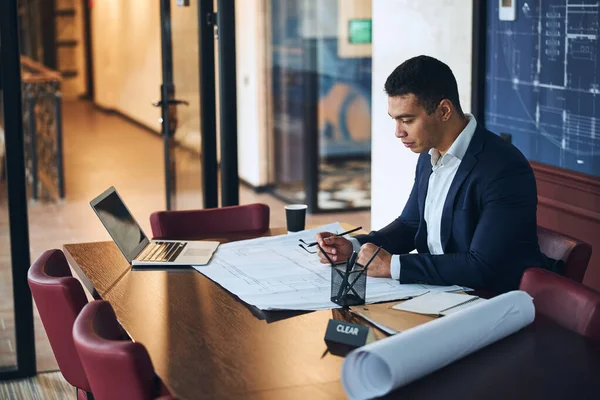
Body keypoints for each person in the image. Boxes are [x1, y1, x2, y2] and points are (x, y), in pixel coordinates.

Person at [316, 55, 555, 294]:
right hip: (439, 292)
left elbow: (483, 266)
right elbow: (411, 224)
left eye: (407, 120)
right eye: (395, 120)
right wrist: (354, 247)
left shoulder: (504, 168)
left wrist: (393, 265)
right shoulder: (429, 154)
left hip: (489, 301)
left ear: (444, 110)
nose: (398, 132)